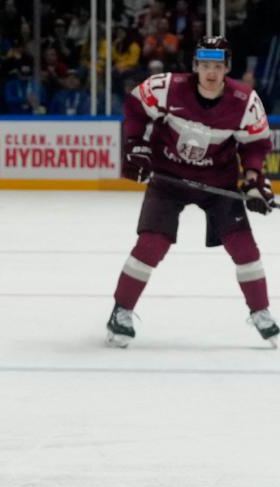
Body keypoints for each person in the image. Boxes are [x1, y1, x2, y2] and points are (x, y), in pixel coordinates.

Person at [108, 36, 278, 347]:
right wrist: (135, 145)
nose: (211, 73)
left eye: (217, 66)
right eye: (205, 65)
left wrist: (253, 178)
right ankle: (121, 311)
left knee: (244, 247)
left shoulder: (245, 102)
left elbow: (255, 144)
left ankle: (261, 311)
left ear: (227, 68)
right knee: (151, 244)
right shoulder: (167, 87)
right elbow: (135, 107)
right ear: (195, 66)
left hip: (219, 183)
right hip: (168, 178)